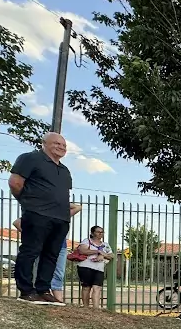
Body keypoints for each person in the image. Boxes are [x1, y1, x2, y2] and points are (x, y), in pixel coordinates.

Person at [10, 132, 73, 305]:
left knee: (51, 255)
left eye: (63, 145)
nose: (61, 147)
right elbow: (15, 183)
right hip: (37, 214)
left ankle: (43, 289)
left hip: (60, 218)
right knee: (30, 251)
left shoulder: (64, 170)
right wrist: (29, 202)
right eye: (56, 143)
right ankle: (26, 290)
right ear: (44, 143)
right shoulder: (30, 158)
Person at [13, 202, 82, 303]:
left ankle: (57, 298)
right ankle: (34, 292)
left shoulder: (62, 214)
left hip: (60, 245)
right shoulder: (40, 212)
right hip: (40, 243)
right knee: (38, 268)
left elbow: (78, 207)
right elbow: (16, 222)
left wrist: (59, 203)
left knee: (58, 272)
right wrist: (32, 234)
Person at [75, 226, 114, 309]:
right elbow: (83, 250)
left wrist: (103, 256)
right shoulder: (87, 241)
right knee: (86, 287)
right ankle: (86, 307)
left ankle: (96, 309)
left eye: (102, 232)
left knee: (97, 287)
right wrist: (98, 251)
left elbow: (111, 256)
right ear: (92, 233)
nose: (100, 233)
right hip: (86, 267)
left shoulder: (105, 245)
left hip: (99, 269)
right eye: (98, 232)